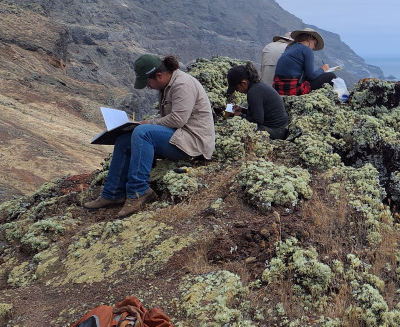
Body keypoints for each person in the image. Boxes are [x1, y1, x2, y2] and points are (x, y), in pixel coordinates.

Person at [83, 54, 215, 217]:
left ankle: (139, 191)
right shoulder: (166, 86)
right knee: (124, 140)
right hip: (178, 136)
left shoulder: (183, 85)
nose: (148, 87)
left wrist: (146, 124)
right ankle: (113, 194)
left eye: (148, 83)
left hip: (192, 142)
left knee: (142, 133)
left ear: (159, 75)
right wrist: (141, 123)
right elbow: (168, 119)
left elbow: (178, 119)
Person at [226, 63, 290, 139]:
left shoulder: (253, 93)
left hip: (276, 132)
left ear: (244, 83)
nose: (237, 91)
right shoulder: (258, 86)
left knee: (233, 125)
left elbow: (257, 121)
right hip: (282, 128)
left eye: (236, 88)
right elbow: (257, 113)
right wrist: (242, 110)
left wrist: (240, 116)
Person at [273, 27, 336, 95]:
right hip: (292, 89)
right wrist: (323, 69)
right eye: (314, 44)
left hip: (278, 88)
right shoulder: (307, 50)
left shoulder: (290, 47)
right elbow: (311, 76)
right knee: (331, 76)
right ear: (309, 39)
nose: (314, 48)